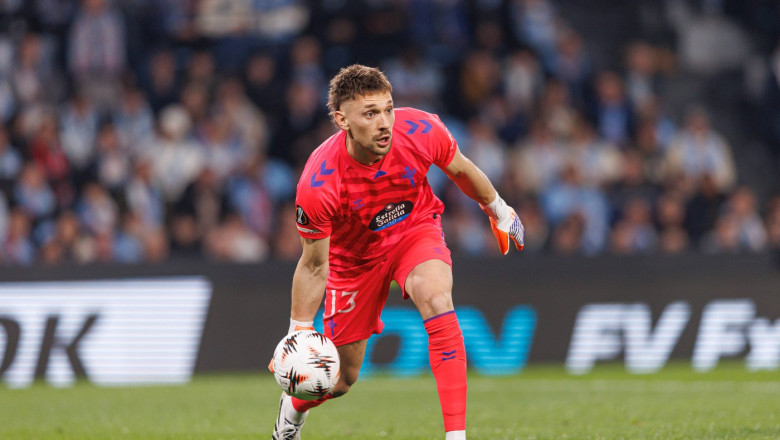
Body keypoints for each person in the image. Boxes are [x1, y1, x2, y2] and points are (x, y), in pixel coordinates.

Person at [271, 64, 525, 440]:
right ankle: (292, 409)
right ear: (342, 120)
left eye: (388, 109)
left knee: (437, 298)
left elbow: (460, 169)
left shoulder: (420, 129)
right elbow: (313, 265)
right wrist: (298, 334)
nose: (384, 123)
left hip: (413, 229)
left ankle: (456, 436)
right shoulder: (319, 182)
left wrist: (499, 210)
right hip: (354, 261)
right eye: (370, 114)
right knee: (341, 380)